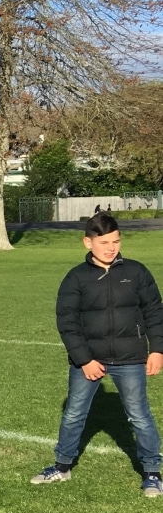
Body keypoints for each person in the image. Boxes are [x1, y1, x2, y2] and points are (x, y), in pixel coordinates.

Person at [32, 212, 163, 495]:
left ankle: (152, 472)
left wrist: (157, 350)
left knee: (139, 415)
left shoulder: (137, 272)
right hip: (89, 361)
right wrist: (85, 360)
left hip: (131, 359)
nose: (111, 248)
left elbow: (154, 312)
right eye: (104, 242)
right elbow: (67, 322)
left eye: (115, 241)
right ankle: (62, 466)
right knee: (74, 414)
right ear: (87, 242)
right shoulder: (76, 278)